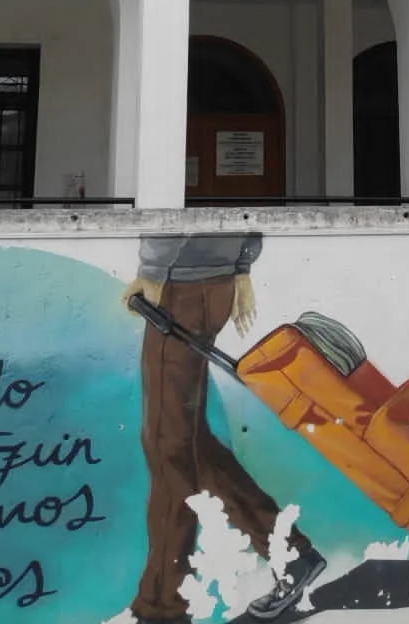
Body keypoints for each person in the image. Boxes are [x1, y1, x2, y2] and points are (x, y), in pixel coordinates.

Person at [123, 233, 325, 622]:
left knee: (168, 448)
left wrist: (152, 271)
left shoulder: (171, 269)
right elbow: (246, 205)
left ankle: (162, 608)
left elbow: (168, 209)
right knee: (188, 442)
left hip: (178, 287)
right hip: (213, 284)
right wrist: (241, 267)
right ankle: (289, 552)